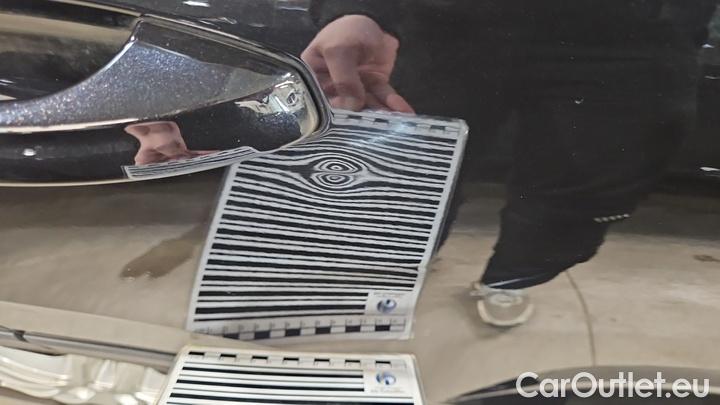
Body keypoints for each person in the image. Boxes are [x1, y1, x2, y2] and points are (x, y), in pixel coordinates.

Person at [302, 0, 717, 326]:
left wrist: (676, 27)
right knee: (406, 178)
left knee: (572, 196)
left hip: (627, 32)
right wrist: (359, 8)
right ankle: (399, 266)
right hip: (447, 22)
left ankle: (510, 279)